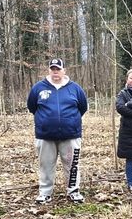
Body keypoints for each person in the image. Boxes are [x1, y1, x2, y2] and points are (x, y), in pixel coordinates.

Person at [27, 58, 89, 204]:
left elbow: (83, 107)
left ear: (64, 71)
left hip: (71, 135)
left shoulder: (75, 88)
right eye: (53, 69)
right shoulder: (38, 88)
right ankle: (45, 193)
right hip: (45, 135)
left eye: (58, 69)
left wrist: (69, 121)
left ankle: (73, 191)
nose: (55, 72)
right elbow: (32, 107)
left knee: (72, 165)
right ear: (49, 70)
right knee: (46, 165)